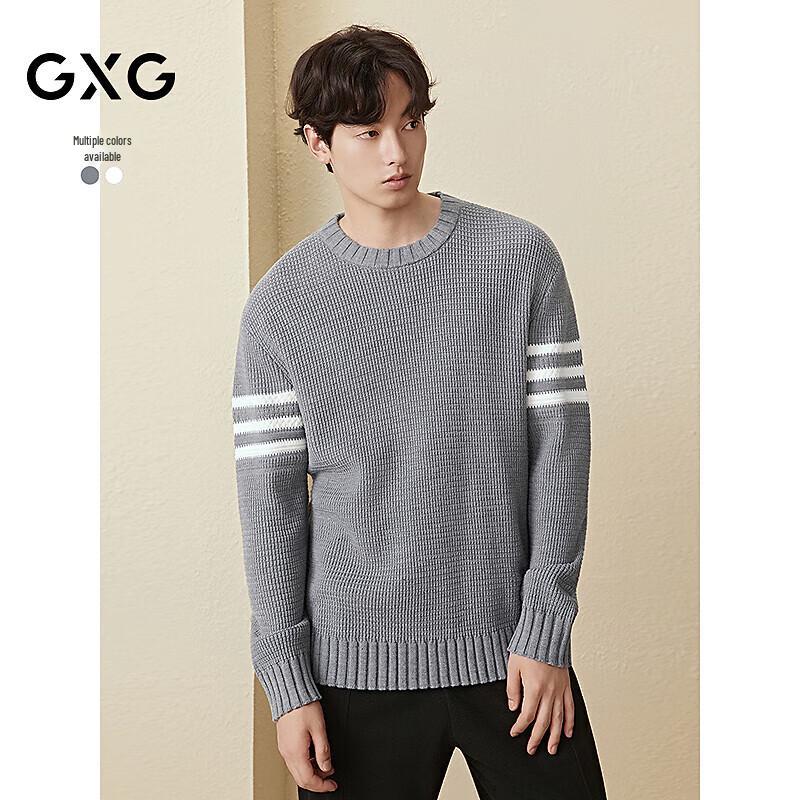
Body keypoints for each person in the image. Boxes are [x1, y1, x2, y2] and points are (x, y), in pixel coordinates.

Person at [232, 24, 607, 800]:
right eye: (367, 132)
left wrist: (546, 627)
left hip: (515, 657)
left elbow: (561, 452)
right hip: (351, 670)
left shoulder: (519, 259)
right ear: (318, 143)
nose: (397, 152)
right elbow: (271, 507)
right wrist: (287, 683)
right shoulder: (279, 306)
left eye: (409, 122)